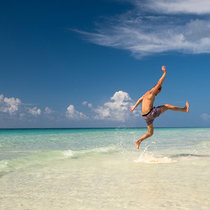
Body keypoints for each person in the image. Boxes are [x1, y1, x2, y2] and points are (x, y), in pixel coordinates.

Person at [130, 66, 189, 150]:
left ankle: (138, 141)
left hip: (145, 116)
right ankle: (184, 109)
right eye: (159, 91)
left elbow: (140, 99)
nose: (158, 93)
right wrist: (164, 73)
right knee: (167, 106)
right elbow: (159, 82)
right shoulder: (152, 93)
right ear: (157, 89)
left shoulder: (146, 93)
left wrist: (134, 107)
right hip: (151, 113)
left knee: (150, 133)